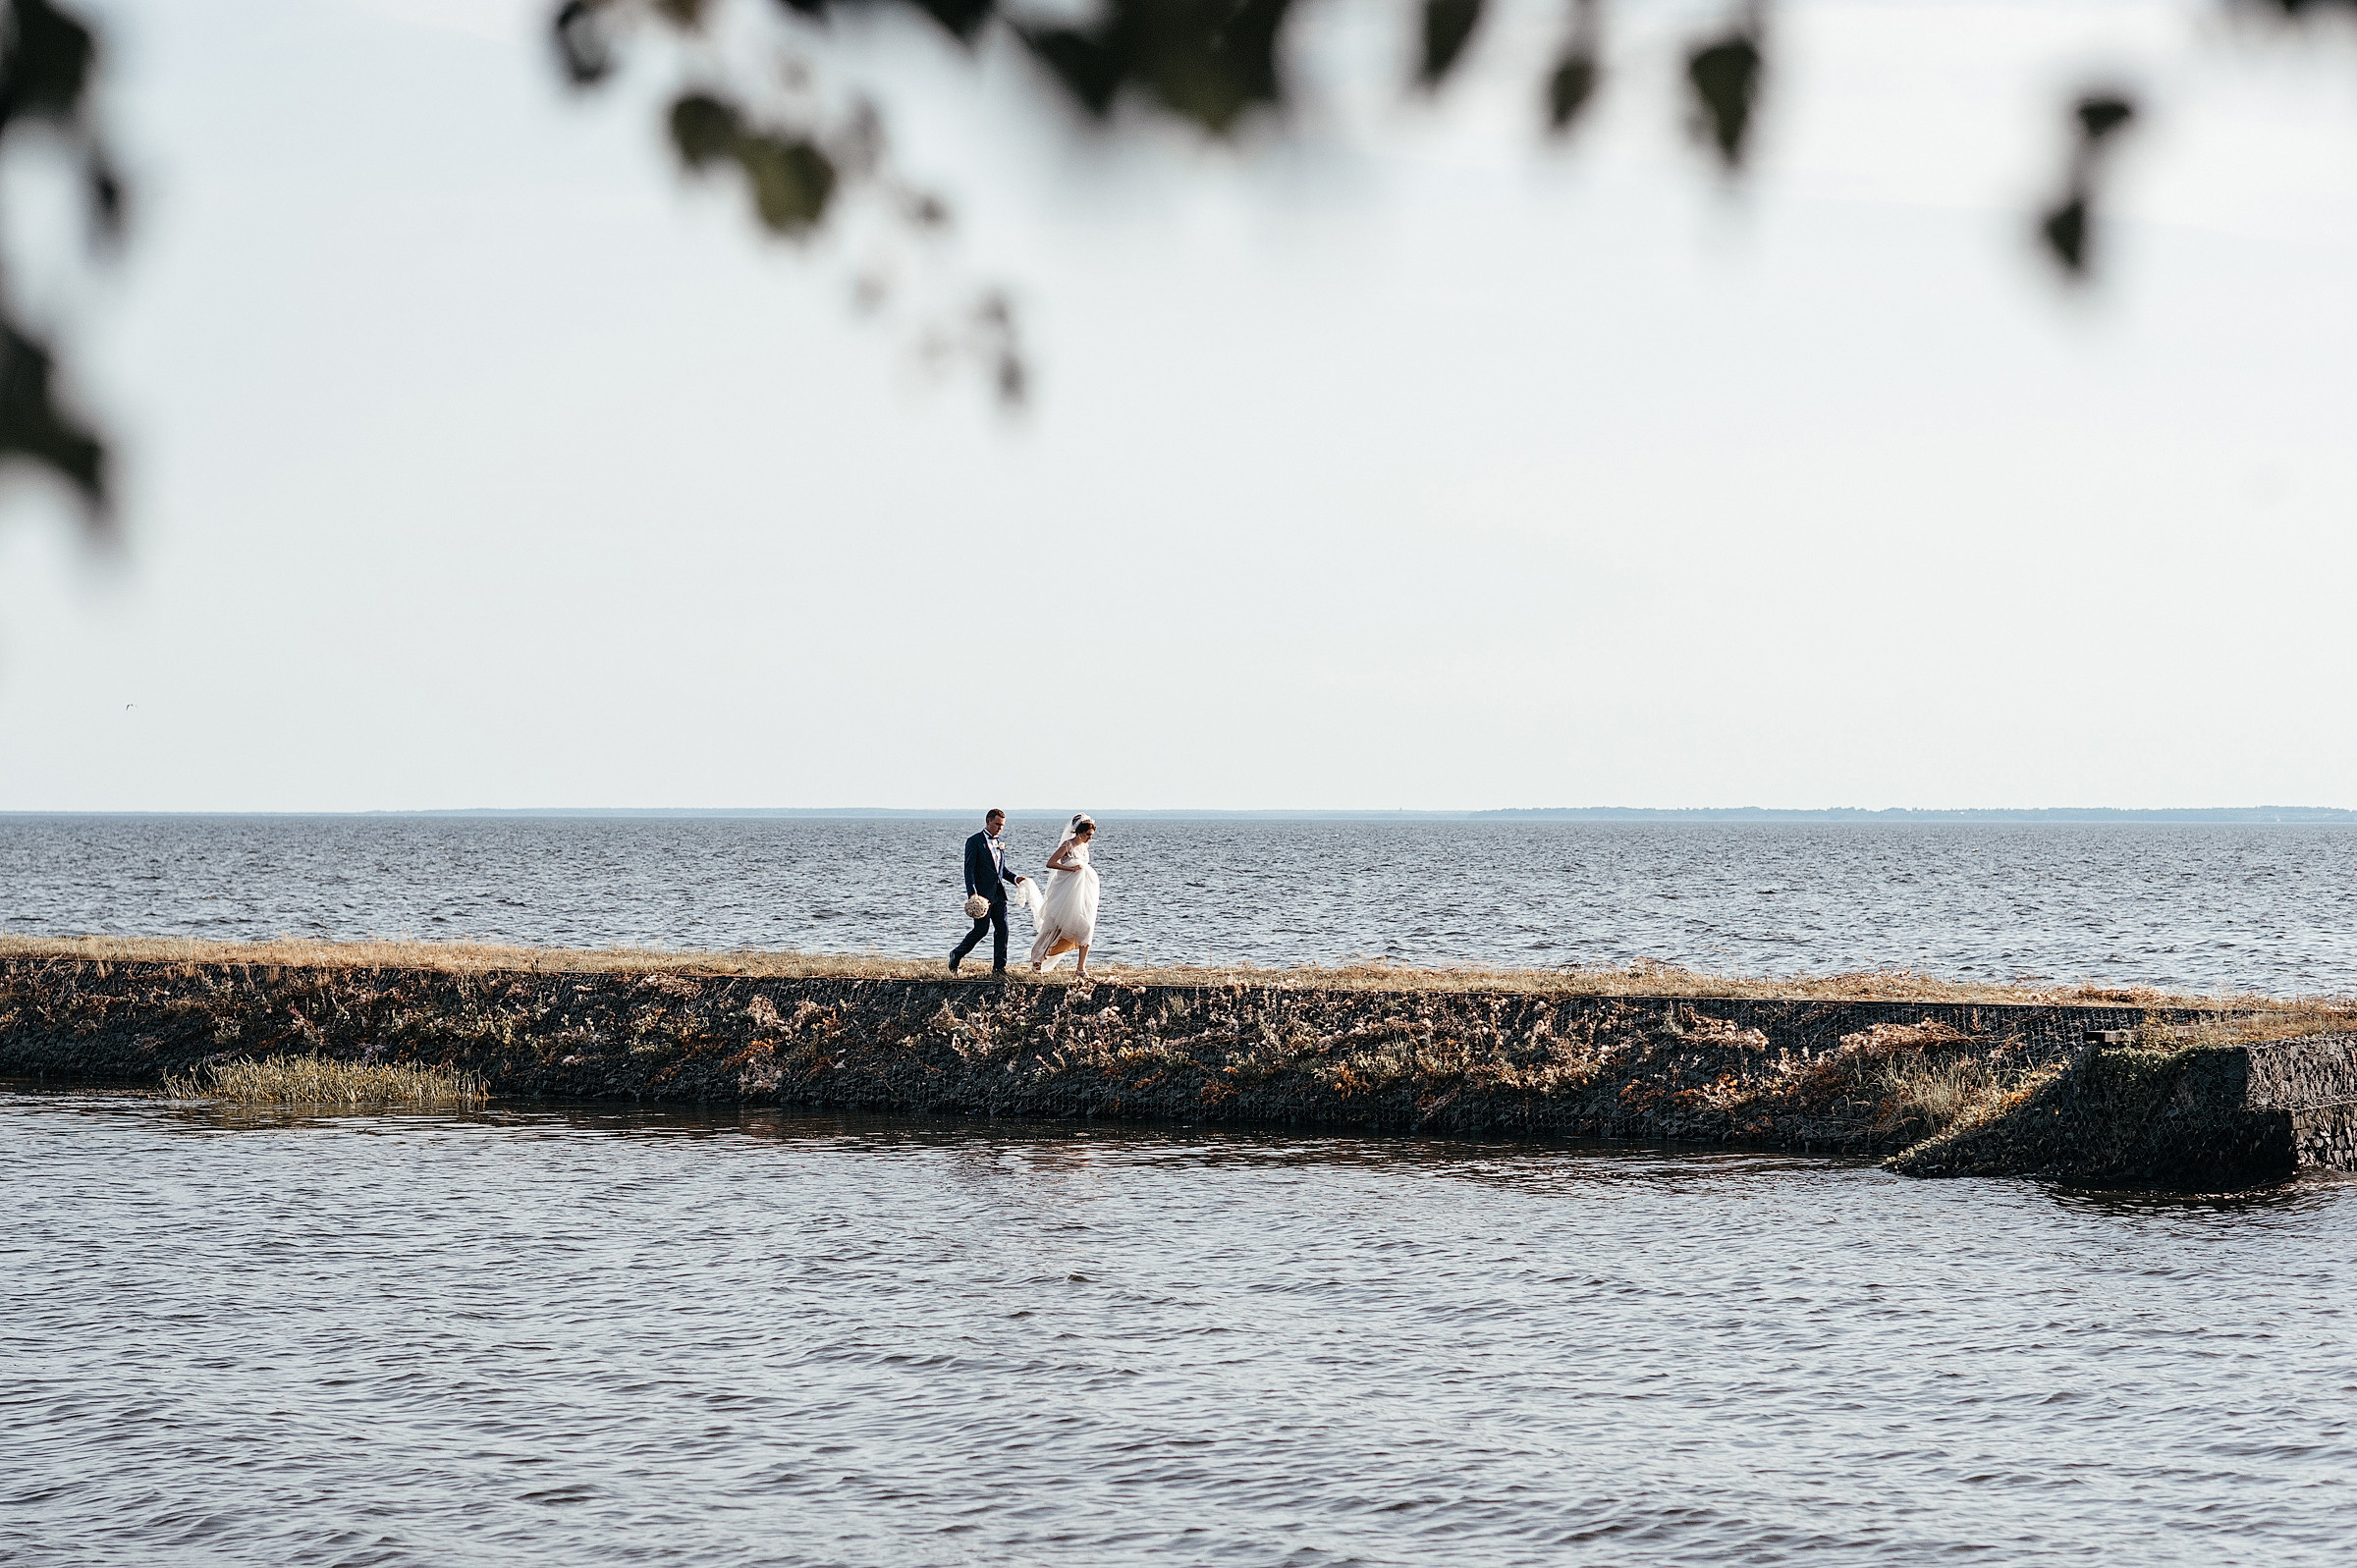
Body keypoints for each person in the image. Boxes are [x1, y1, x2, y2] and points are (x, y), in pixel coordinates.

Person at [951, 808, 1027, 976]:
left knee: (1003, 929)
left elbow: (1001, 870)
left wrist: (1016, 879)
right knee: (981, 930)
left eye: (1002, 825)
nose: (1000, 828)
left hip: (999, 894)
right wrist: (972, 893)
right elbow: (968, 870)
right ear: (988, 821)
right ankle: (956, 954)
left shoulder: (999, 843)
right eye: (997, 824)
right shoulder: (974, 841)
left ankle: (999, 968)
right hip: (982, 897)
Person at [1029, 813, 1101, 979]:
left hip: (1082, 893)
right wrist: (1071, 869)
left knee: (1086, 926)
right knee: (1054, 926)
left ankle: (1080, 968)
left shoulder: (1084, 847)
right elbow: (1051, 862)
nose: (1090, 839)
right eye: (1088, 835)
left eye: (1092, 836)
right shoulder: (1067, 845)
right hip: (1065, 892)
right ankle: (1038, 959)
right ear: (1080, 832)